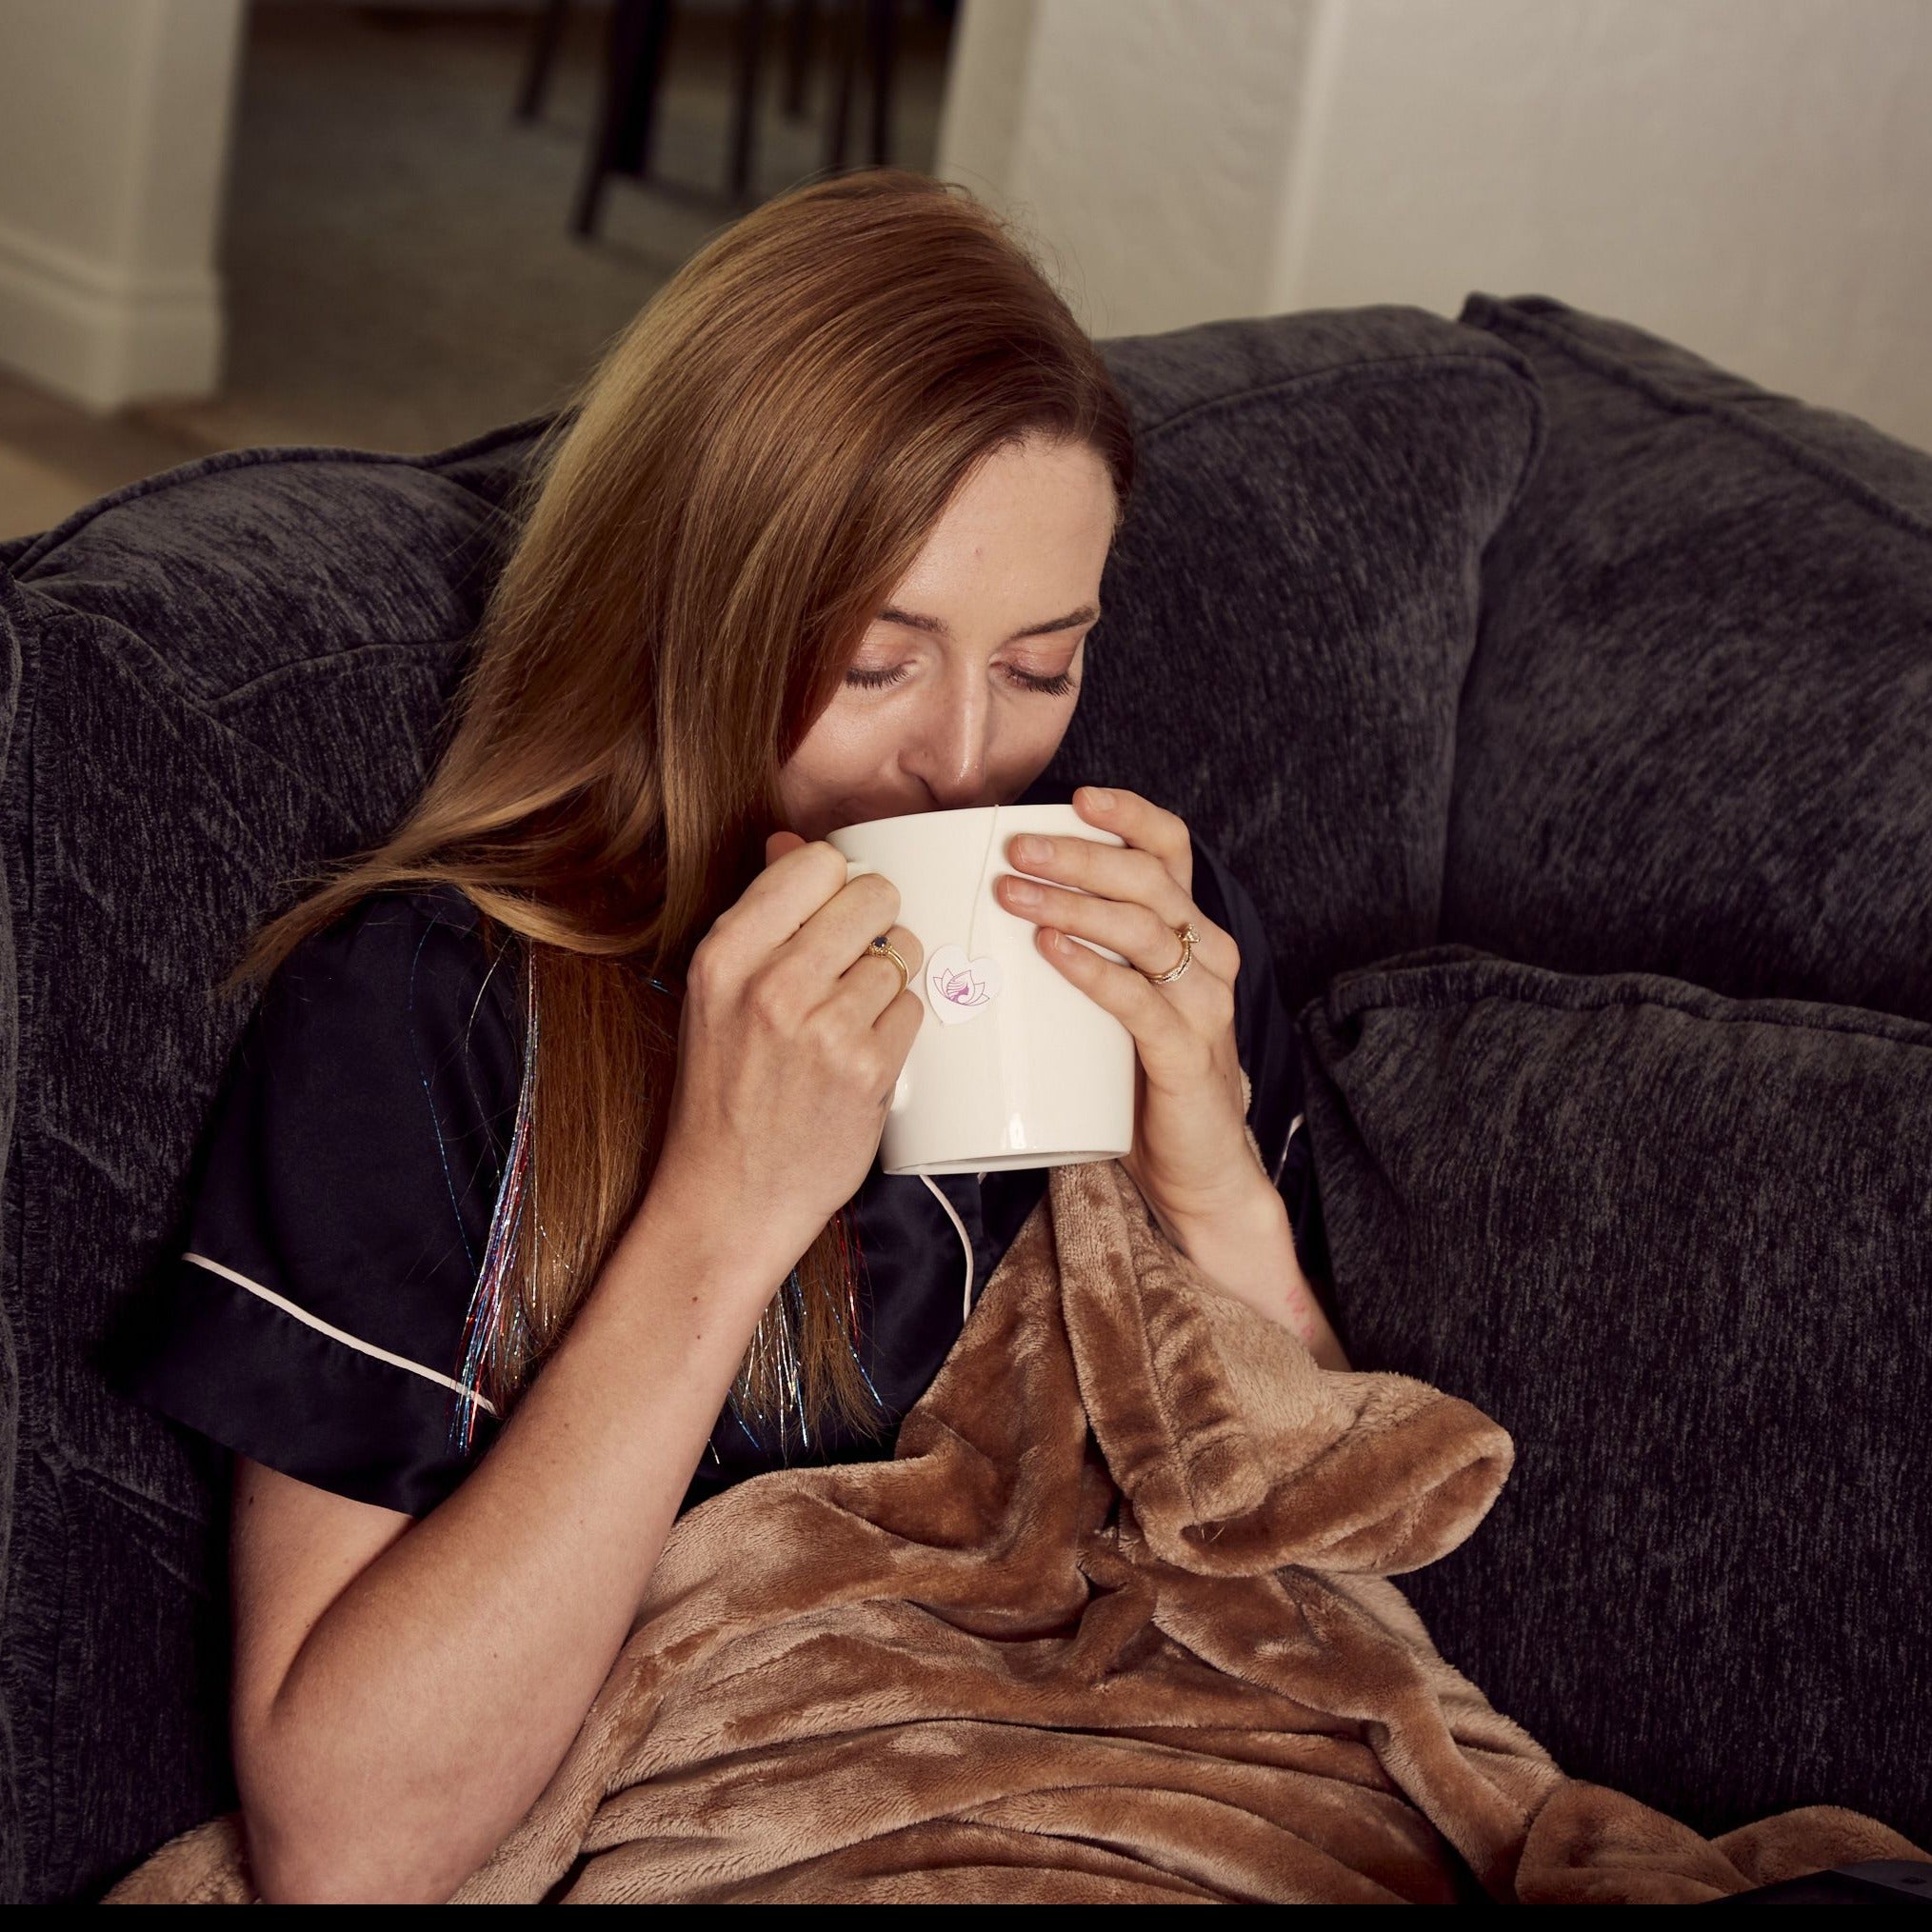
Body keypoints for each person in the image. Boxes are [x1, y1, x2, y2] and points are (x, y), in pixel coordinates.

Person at [120, 167, 1344, 1905]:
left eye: (1041, 661)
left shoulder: (1137, 912)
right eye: (874, 664)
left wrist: (1212, 1174)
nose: (960, 762)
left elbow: (1333, 1588)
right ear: (681, 606)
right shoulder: (424, 1010)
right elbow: (349, 1846)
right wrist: (724, 1209)